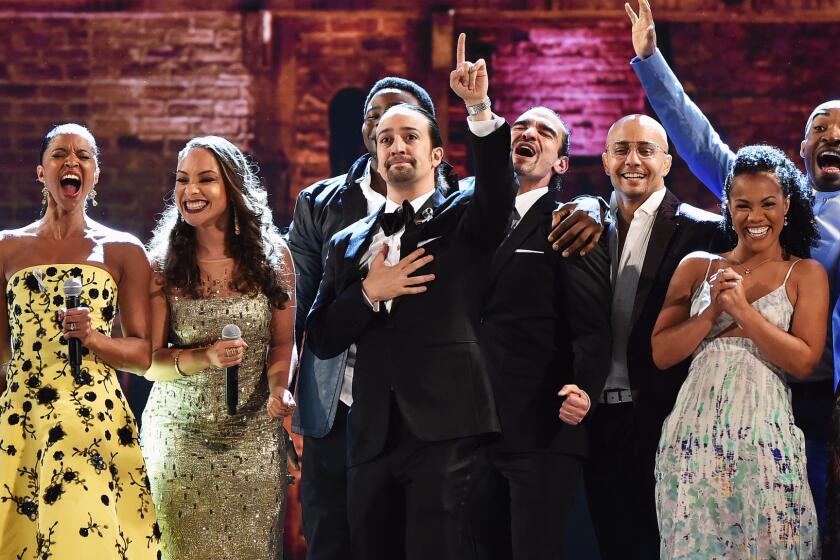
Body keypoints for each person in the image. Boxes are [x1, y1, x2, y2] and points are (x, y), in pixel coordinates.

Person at [626, 0, 837, 531]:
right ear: (802, 147)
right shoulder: (766, 194)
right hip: (734, 412)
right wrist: (651, 60)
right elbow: (702, 144)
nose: (833, 136)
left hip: (811, 388)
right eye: (821, 128)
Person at [305, 34, 514, 560]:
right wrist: (369, 293)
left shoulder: (465, 218)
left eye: (409, 136)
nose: (397, 146)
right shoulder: (346, 241)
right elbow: (324, 334)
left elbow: (497, 194)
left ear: (435, 153)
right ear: (374, 156)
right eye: (385, 139)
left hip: (447, 426)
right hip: (370, 431)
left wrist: (479, 109)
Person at [288, 76, 456, 560]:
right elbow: (299, 305)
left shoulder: (456, 204)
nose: (386, 125)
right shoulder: (320, 203)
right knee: (333, 535)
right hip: (336, 402)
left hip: (424, 406)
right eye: (374, 119)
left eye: (400, 116)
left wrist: (591, 205)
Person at [651, 145, 825, 558]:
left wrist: (743, 311)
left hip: (767, 440)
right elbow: (661, 353)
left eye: (768, 204)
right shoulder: (698, 266)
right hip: (693, 441)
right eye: (742, 205)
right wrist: (713, 311)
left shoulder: (805, 273)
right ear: (728, 207)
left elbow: (803, 361)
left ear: (788, 205)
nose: (756, 217)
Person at [0, 123, 160, 558]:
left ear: (95, 174)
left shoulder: (123, 250)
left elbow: (143, 352)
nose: (71, 161)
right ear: (40, 171)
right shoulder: (6, 249)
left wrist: (93, 339)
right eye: (59, 154)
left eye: (83, 155)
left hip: (92, 418)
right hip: (23, 419)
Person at [467, 100, 612, 559]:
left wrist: (585, 388)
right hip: (469, 424)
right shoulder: (468, 216)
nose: (527, 133)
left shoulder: (570, 222)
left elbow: (592, 322)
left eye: (545, 132)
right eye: (521, 126)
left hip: (541, 425)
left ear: (561, 162)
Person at [141, 136, 296, 559]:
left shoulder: (275, 256)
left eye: (205, 180)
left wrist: (280, 389)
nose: (190, 191)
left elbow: (283, 344)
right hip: (179, 439)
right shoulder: (160, 264)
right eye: (182, 180)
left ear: (232, 188)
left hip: (253, 435)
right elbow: (150, 363)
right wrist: (205, 357)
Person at [582, 113, 726, 560]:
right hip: (592, 418)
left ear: (667, 162)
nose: (633, 160)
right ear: (605, 160)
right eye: (622, 149)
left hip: (668, 415)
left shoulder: (705, 230)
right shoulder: (578, 224)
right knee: (610, 543)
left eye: (646, 150)